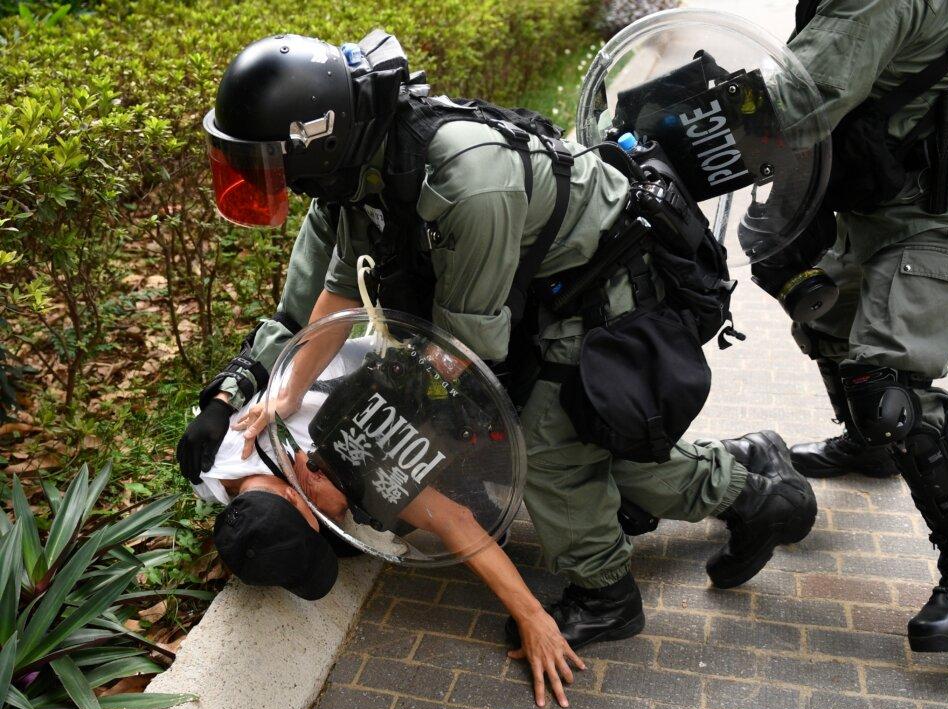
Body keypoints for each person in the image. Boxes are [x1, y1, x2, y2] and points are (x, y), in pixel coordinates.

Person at [176, 30, 816, 660]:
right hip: (537, 289)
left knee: (546, 450)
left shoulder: (467, 181)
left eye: (270, 160)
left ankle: (607, 596)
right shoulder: (359, 169)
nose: (269, 178)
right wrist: (279, 394)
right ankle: (753, 485)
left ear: (314, 139)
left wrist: (384, 437)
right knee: (577, 444)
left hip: (605, 287)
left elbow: (460, 355)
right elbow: (341, 291)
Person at [772, 0, 948, 651]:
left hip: (944, 210)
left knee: (886, 384)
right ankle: (871, 448)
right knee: (826, 316)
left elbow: (789, 106)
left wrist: (666, 134)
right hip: (889, 200)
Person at [190, 358, 588, 709]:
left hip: (409, 371)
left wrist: (533, 617)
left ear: (296, 498)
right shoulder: (207, 470)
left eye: (313, 524)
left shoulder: (341, 452)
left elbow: (455, 521)